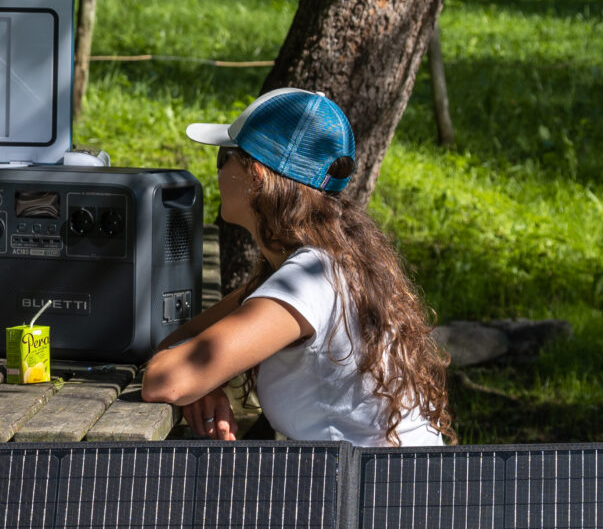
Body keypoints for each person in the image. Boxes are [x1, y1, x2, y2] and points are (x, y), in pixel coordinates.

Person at [141, 89, 452, 446]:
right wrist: (203, 384)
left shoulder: (305, 283)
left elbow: (163, 379)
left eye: (224, 157)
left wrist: (192, 381)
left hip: (374, 494)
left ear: (256, 175)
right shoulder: (326, 263)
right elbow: (181, 349)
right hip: (383, 485)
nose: (218, 170)